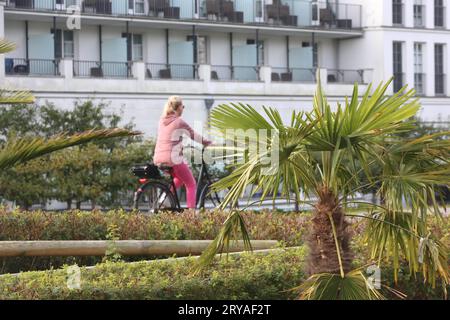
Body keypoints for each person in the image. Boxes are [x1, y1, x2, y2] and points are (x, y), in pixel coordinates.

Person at [153, 96, 212, 209]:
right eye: (182, 106)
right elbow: (193, 135)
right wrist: (207, 142)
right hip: (172, 158)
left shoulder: (161, 121)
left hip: (158, 158)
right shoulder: (179, 122)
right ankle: (191, 215)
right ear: (178, 107)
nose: (183, 109)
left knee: (180, 178)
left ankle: (165, 199)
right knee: (191, 183)